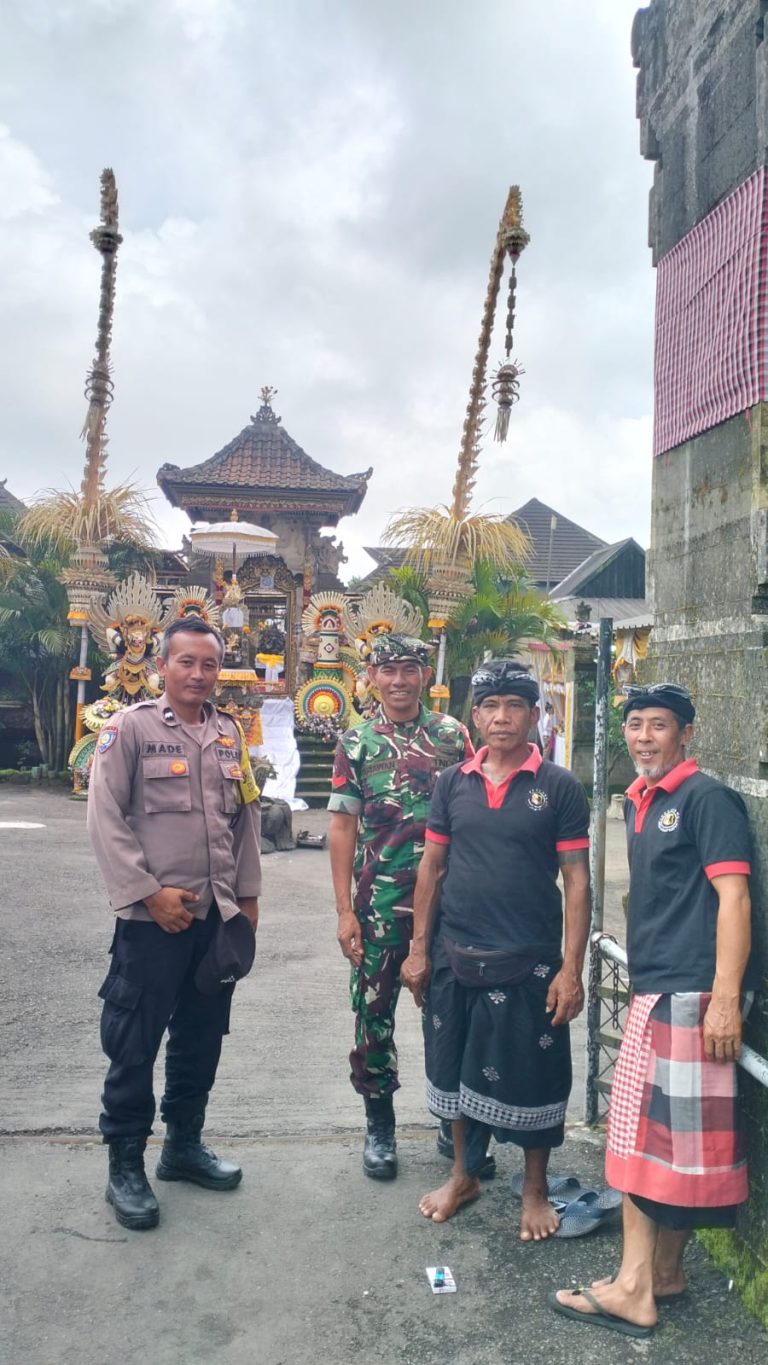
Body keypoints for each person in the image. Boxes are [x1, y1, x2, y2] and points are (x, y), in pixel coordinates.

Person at [550, 682, 757, 1338]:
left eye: (659, 725)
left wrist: (725, 1000)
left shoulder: (705, 799)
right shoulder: (642, 800)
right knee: (669, 1150)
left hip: (688, 996)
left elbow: (735, 899)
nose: (644, 736)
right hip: (658, 990)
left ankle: (633, 1289)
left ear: (685, 733)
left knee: (642, 1150)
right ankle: (663, 1273)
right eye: (635, 724)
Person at [401, 660, 591, 1236]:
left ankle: (535, 1190)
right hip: (456, 953)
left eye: (514, 706)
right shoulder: (452, 782)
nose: (502, 717)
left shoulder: (558, 786)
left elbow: (576, 879)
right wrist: (419, 948)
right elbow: (433, 867)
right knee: (454, 1065)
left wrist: (571, 969)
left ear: (533, 715)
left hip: (529, 959)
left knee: (535, 1070)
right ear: (475, 716)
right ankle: (463, 1175)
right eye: (490, 706)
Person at [87, 615, 262, 1231]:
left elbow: (246, 819)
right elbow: (105, 818)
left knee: (200, 1038)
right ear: (162, 665)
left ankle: (183, 1146)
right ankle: (125, 1165)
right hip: (151, 924)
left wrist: (248, 898)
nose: (198, 674)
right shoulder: (130, 729)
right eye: (185, 661)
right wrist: (147, 893)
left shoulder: (228, 734)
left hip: (215, 919)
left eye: (209, 664)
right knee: (134, 1042)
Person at [328, 633, 472, 1180]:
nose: (399, 681)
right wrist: (344, 911)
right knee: (374, 1015)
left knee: (449, 1014)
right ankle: (380, 1127)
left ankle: (451, 1121)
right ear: (372, 677)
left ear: (424, 675)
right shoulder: (357, 742)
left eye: (409, 670)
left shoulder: (452, 736)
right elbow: (342, 828)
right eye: (387, 671)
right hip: (380, 903)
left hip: (449, 904)